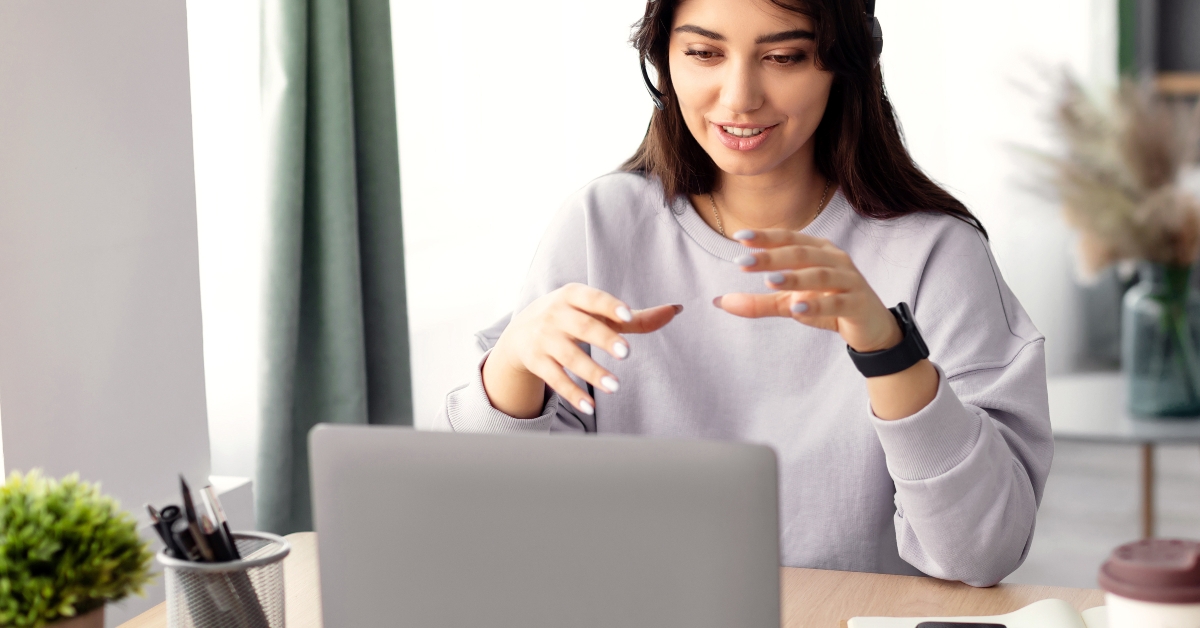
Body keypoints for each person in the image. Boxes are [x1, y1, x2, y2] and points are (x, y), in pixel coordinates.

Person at [436, 0, 1051, 588]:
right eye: (704, 53)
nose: (739, 97)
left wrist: (889, 351)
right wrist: (513, 366)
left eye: (783, 57)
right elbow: (488, 527)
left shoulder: (935, 253)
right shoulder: (599, 227)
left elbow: (981, 552)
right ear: (662, 56)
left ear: (849, 59)